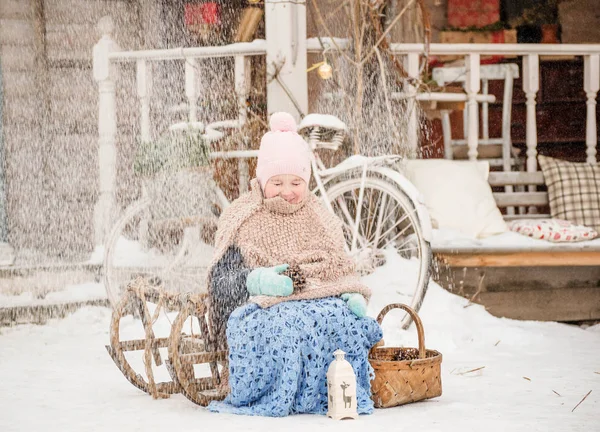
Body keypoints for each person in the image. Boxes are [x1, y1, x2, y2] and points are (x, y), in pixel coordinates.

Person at [207, 112, 382, 417]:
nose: (287, 191)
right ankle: (282, 393)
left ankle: (334, 393)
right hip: (262, 307)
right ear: (262, 180)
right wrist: (257, 280)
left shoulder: (319, 216)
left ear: (307, 181)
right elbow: (220, 283)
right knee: (288, 327)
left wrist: (348, 291)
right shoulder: (244, 216)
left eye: (296, 182)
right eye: (277, 182)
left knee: (347, 323)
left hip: (315, 295)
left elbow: (337, 266)